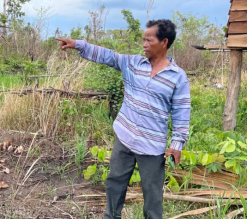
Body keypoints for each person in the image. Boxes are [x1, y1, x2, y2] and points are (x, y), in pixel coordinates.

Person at [56, 19, 191, 219]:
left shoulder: (177, 77)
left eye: (149, 40)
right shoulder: (134, 64)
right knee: (114, 183)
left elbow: (182, 112)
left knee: (153, 196)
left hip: (152, 146)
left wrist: (177, 144)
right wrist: (78, 45)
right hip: (125, 138)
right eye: (143, 40)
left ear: (164, 42)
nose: (144, 44)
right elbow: (108, 55)